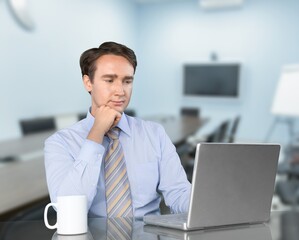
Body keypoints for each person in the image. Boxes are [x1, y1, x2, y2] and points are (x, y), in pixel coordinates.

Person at [44, 41, 191, 218]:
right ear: (88, 82)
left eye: (127, 81)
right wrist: (96, 133)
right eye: (109, 80)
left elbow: (178, 194)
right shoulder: (60, 143)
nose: (120, 91)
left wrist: (207, 204)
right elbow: (68, 212)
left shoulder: (154, 134)